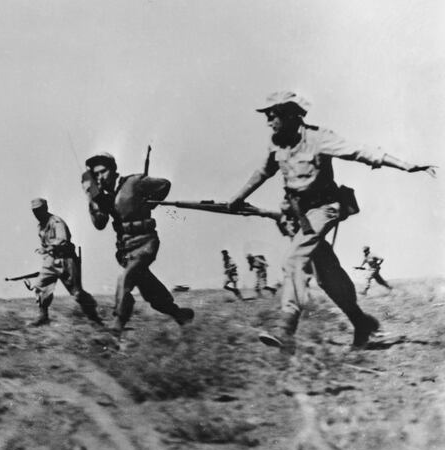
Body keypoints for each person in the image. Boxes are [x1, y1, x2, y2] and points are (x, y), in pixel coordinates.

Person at [229, 91, 436, 349]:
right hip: (298, 216)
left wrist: (405, 165)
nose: (269, 122)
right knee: (327, 276)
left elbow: (360, 151)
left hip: (324, 209)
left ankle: (286, 327)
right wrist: (237, 199)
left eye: (273, 116)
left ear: (290, 116)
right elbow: (263, 172)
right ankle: (362, 324)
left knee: (294, 259)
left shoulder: (319, 138)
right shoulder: (276, 143)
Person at [80, 152, 194, 334]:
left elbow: (164, 184)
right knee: (150, 291)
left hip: (145, 243)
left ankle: (117, 327)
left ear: (114, 170)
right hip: (126, 249)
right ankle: (180, 314)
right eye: (97, 175)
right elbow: (100, 224)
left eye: (103, 172)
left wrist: (147, 202)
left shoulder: (133, 182)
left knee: (125, 278)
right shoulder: (106, 199)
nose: (100, 177)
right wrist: (92, 198)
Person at [26, 198, 102, 326]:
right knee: (41, 286)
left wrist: (51, 247)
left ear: (45, 209)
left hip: (66, 260)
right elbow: (45, 244)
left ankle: (94, 318)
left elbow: (63, 239)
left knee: (77, 293)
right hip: (50, 260)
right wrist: (44, 250)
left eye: (39, 210)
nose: (37, 214)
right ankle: (43, 317)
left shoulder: (56, 222)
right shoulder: (41, 226)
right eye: (34, 211)